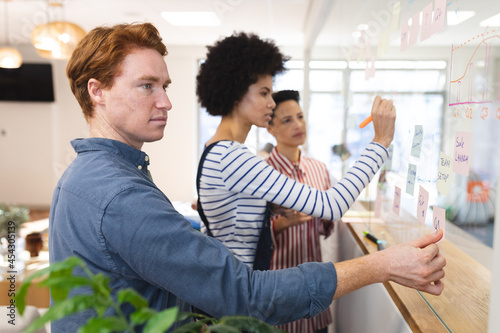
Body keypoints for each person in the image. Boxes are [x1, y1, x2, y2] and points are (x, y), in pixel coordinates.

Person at [50, 22, 446, 332]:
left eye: (166, 86)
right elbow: (326, 208)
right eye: (146, 86)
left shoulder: (84, 175)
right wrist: (379, 143)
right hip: (238, 300)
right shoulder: (134, 187)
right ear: (96, 91)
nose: (166, 101)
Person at [195, 32, 393, 269]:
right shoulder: (231, 157)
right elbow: (333, 205)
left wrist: (269, 208)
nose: (271, 103)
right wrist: (380, 142)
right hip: (239, 297)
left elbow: (232, 223)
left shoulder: (216, 150)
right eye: (263, 93)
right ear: (236, 92)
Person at [265, 89, 334, 333]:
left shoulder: (319, 169)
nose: (298, 124)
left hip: (316, 295)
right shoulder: (261, 173)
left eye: (300, 116)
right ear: (270, 128)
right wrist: (285, 222)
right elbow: (252, 234)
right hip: (279, 294)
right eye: (287, 120)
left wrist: (327, 213)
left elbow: (326, 226)